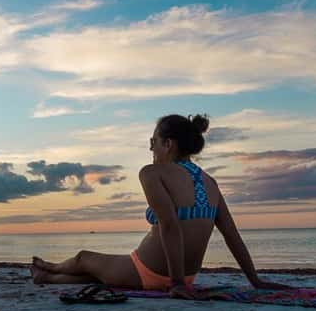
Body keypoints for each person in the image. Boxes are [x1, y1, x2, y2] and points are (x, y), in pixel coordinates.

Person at [30, 114, 291, 298]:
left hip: (152, 270)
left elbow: (169, 225)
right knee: (97, 274)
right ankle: (46, 277)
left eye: (153, 141)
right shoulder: (210, 182)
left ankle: (51, 267)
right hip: (187, 275)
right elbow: (232, 235)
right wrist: (254, 279)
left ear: (169, 144)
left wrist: (176, 284)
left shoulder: (153, 173)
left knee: (83, 257)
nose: (151, 147)